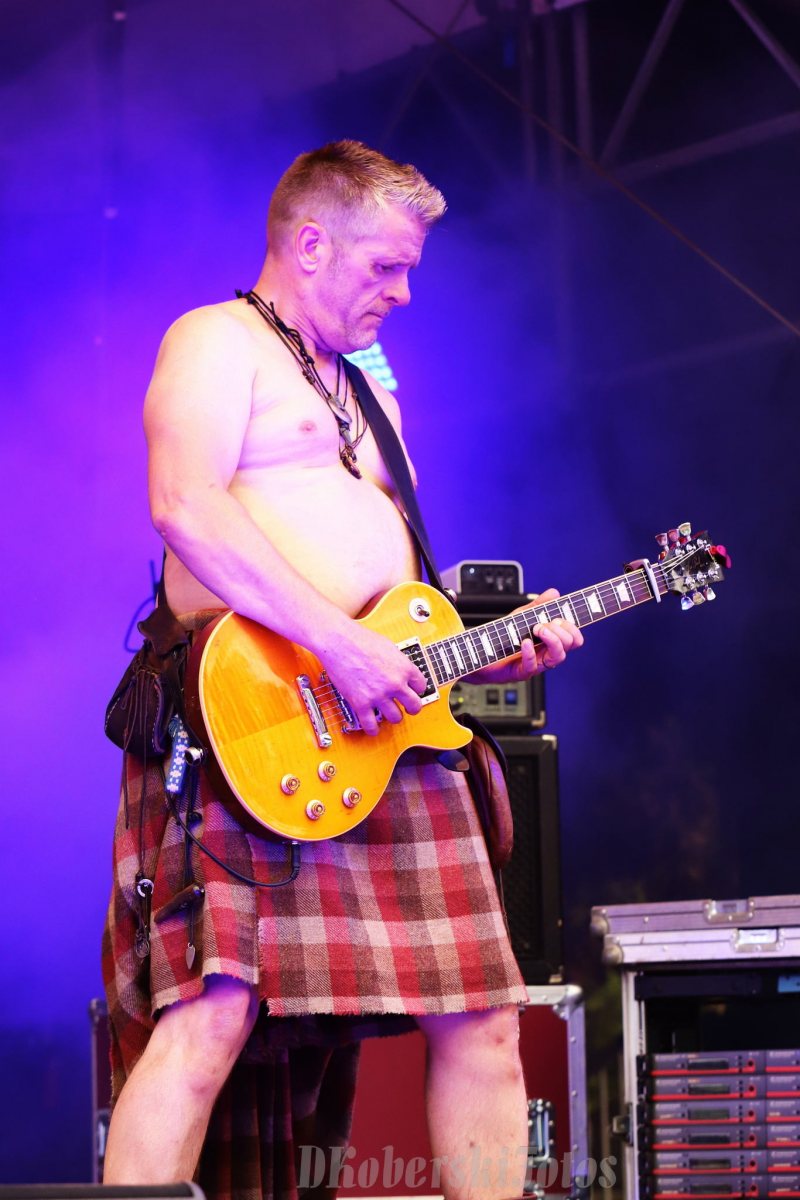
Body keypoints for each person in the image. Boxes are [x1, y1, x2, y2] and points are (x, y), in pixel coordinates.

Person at [102, 140, 583, 1200]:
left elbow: (391, 597)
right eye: (385, 266)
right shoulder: (217, 340)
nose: (402, 292)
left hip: (381, 734)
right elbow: (185, 506)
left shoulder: (369, 396)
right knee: (210, 1015)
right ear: (312, 244)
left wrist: (487, 639)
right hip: (253, 714)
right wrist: (336, 643)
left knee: (482, 1018)